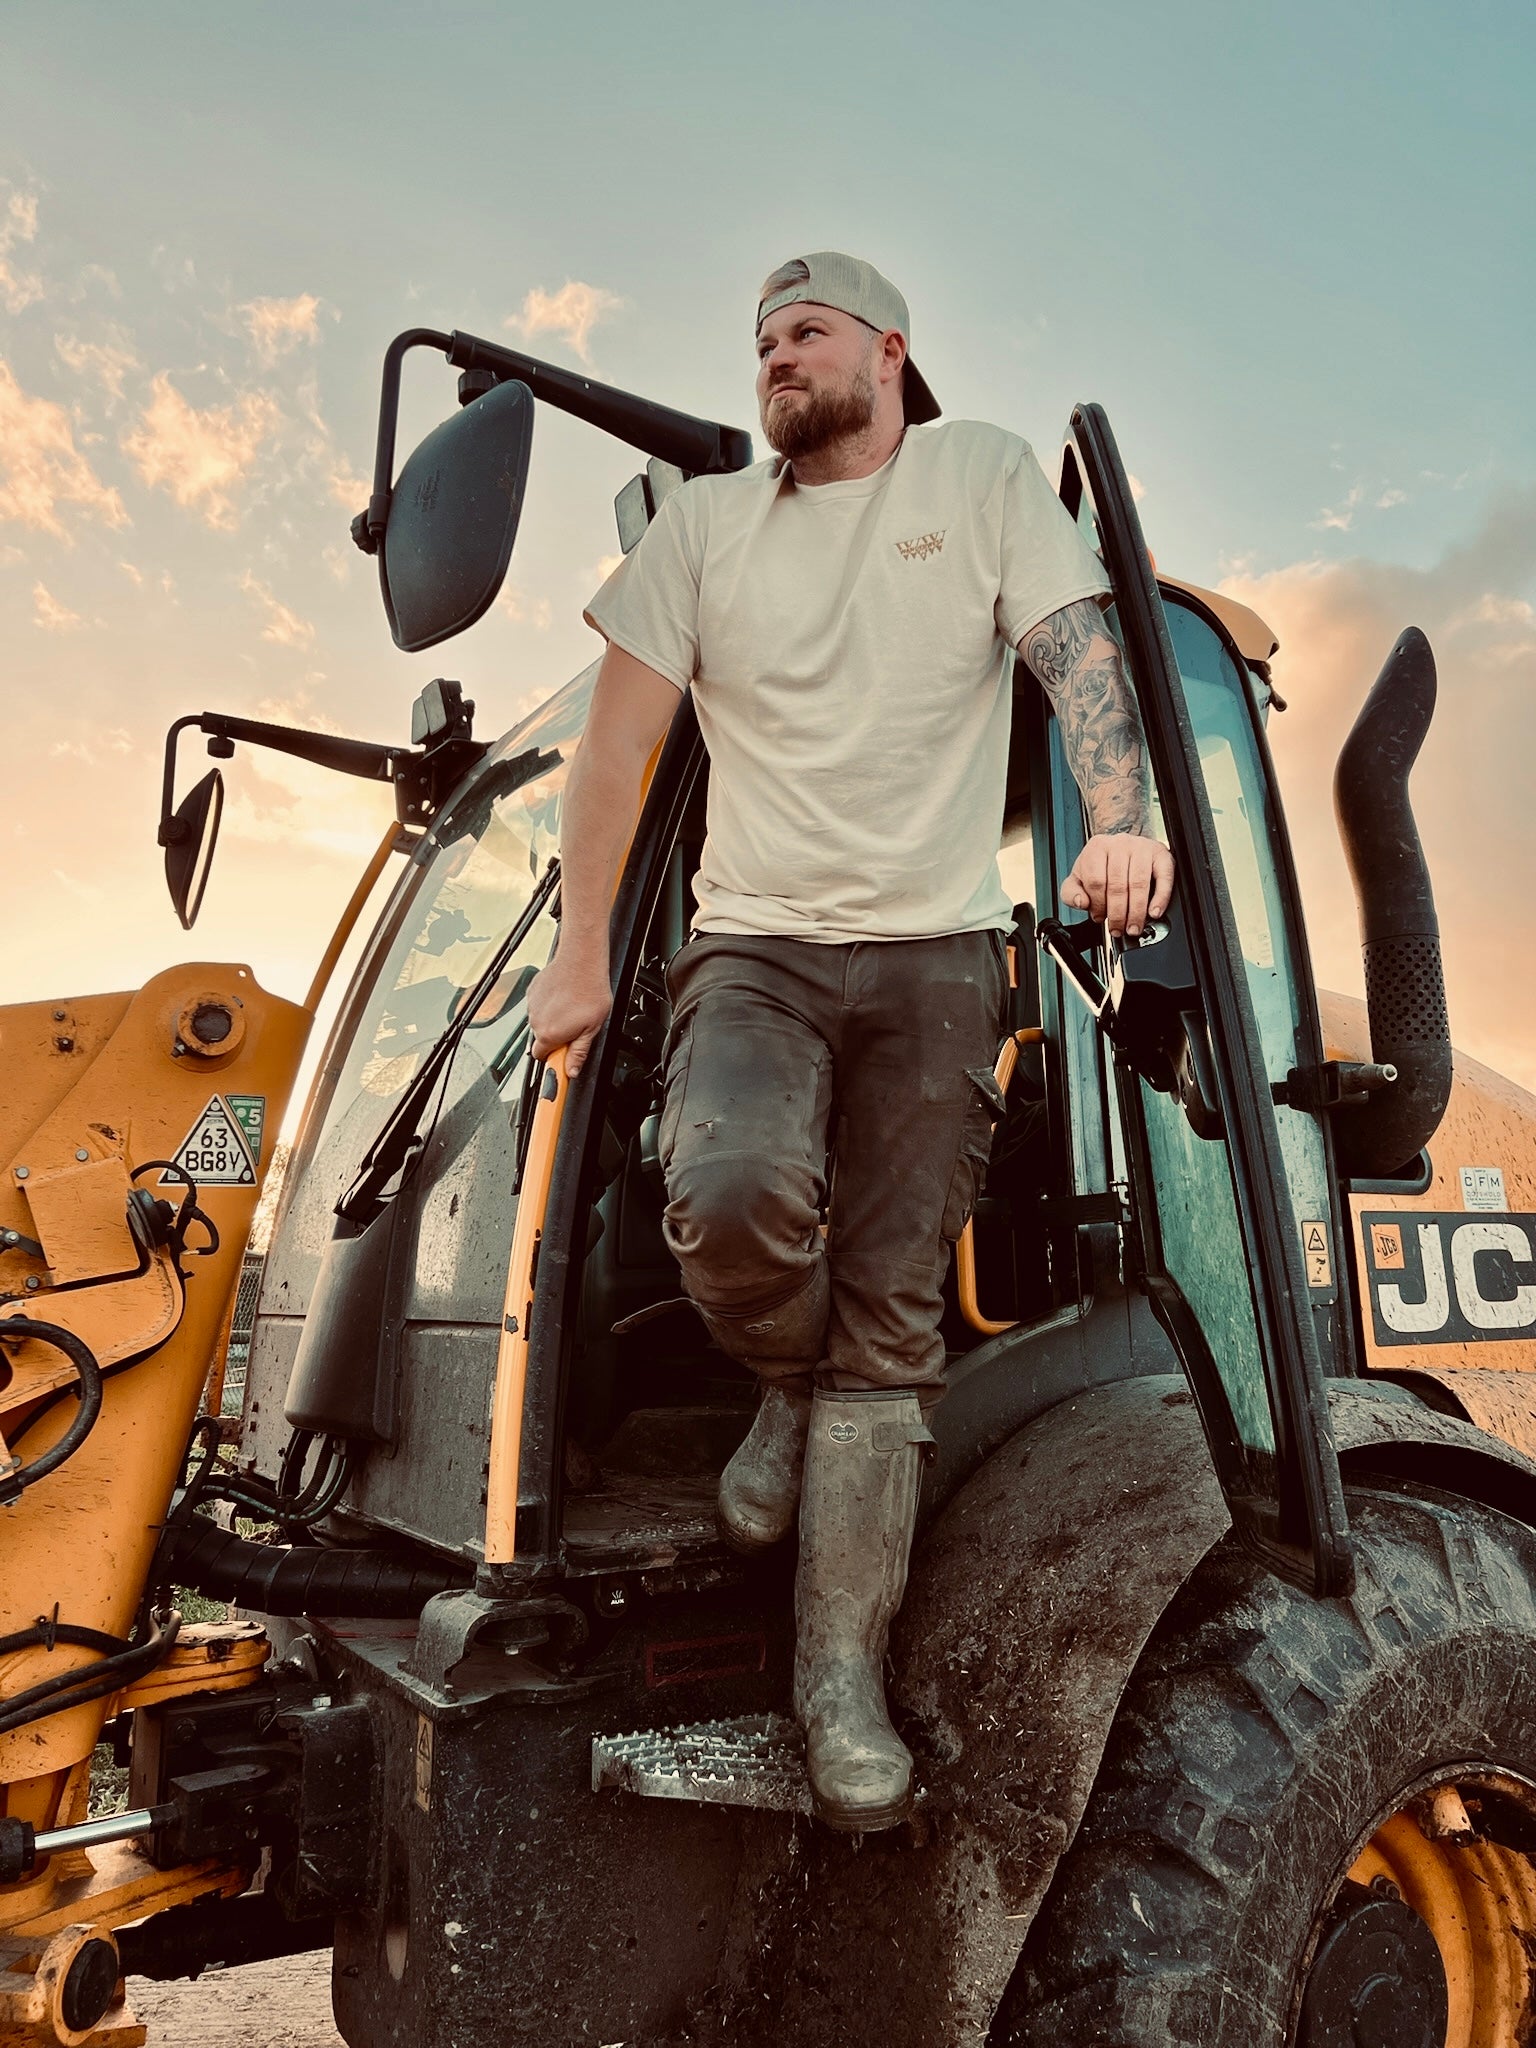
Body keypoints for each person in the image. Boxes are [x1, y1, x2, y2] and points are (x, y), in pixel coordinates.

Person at [528, 251, 1174, 1832]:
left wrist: (1123, 814)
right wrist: (582, 944)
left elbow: (1079, 654)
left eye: (803, 332)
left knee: (897, 1328)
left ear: (889, 349)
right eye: (757, 340)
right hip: (754, 942)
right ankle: (783, 1384)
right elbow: (618, 745)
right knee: (727, 1189)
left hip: (940, 951)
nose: (774, 359)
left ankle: (839, 1691)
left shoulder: (982, 475)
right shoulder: (704, 531)